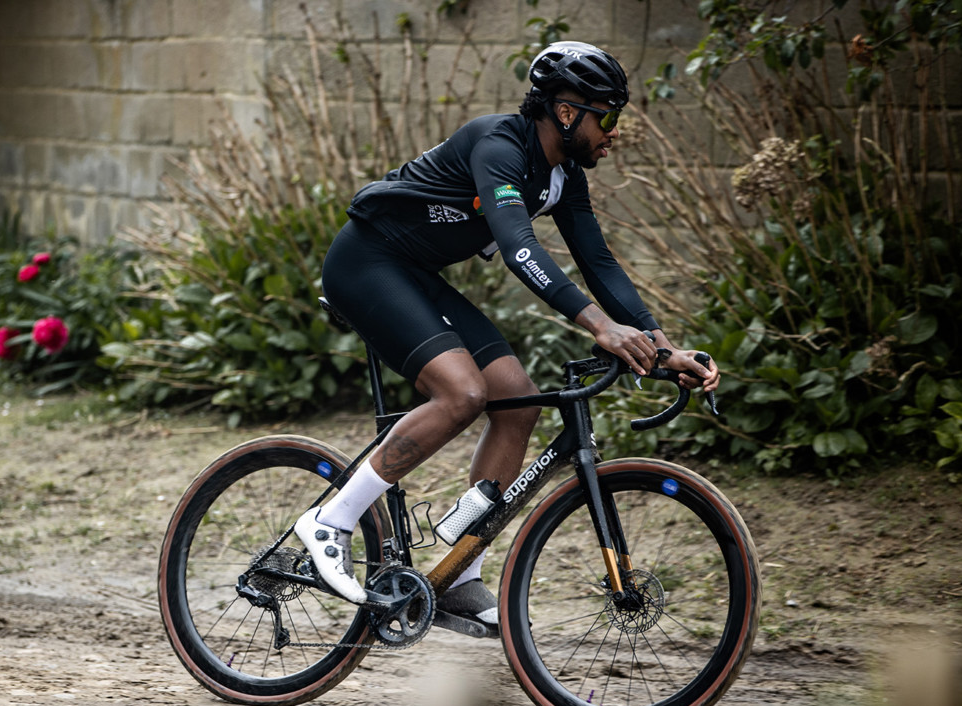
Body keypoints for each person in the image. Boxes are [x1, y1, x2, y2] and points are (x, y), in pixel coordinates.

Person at [296, 41, 720, 631]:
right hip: (365, 263)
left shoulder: (563, 176)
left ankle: (457, 578)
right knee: (463, 393)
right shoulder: (498, 145)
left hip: (414, 273)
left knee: (516, 402)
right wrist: (599, 326)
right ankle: (330, 520)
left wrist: (662, 346)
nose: (615, 132)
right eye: (608, 118)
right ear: (566, 112)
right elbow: (520, 247)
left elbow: (599, 264)